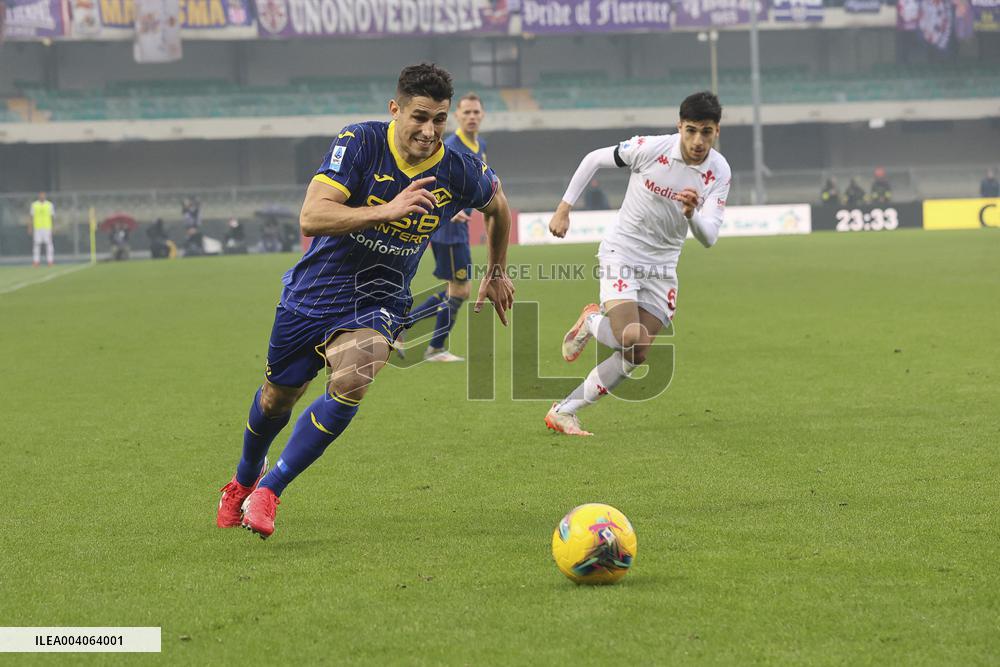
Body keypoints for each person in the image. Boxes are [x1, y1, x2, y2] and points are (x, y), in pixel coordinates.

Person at [215, 63, 515, 539]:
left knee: (356, 377)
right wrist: (388, 210)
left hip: (380, 298)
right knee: (277, 398)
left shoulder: (459, 168)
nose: (429, 130)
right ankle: (244, 477)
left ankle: (270, 490)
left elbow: (499, 208)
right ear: (395, 109)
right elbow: (312, 215)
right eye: (419, 117)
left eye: (439, 119)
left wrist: (496, 271)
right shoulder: (360, 142)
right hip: (313, 293)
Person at [544, 91, 731, 436]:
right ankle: (591, 321)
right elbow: (593, 159)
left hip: (663, 267)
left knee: (638, 353)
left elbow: (709, 237)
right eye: (691, 130)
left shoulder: (718, 172)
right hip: (623, 253)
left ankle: (563, 411)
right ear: (679, 127)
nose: (698, 140)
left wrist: (691, 215)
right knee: (630, 335)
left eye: (706, 131)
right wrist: (564, 207)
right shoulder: (651, 148)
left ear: (716, 131)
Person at [406, 92, 488, 362]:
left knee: (457, 289)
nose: (472, 117)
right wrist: (448, 212)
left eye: (476, 112)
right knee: (460, 289)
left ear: (482, 114)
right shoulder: (449, 145)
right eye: (467, 113)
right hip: (447, 228)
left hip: (459, 229)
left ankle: (411, 329)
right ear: (457, 116)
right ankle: (430, 344)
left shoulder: (480, 145)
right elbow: (427, 179)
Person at [28, 192, 55, 267]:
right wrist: (30, 227)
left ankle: (50, 261)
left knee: (49, 244)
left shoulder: (49, 205)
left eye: (43, 196)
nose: (42, 197)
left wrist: (53, 227)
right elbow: (31, 217)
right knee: (37, 244)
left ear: (45, 196)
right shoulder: (34, 205)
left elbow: (52, 217)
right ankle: (36, 261)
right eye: (41, 196)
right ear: (39, 196)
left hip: (47, 227)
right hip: (37, 227)